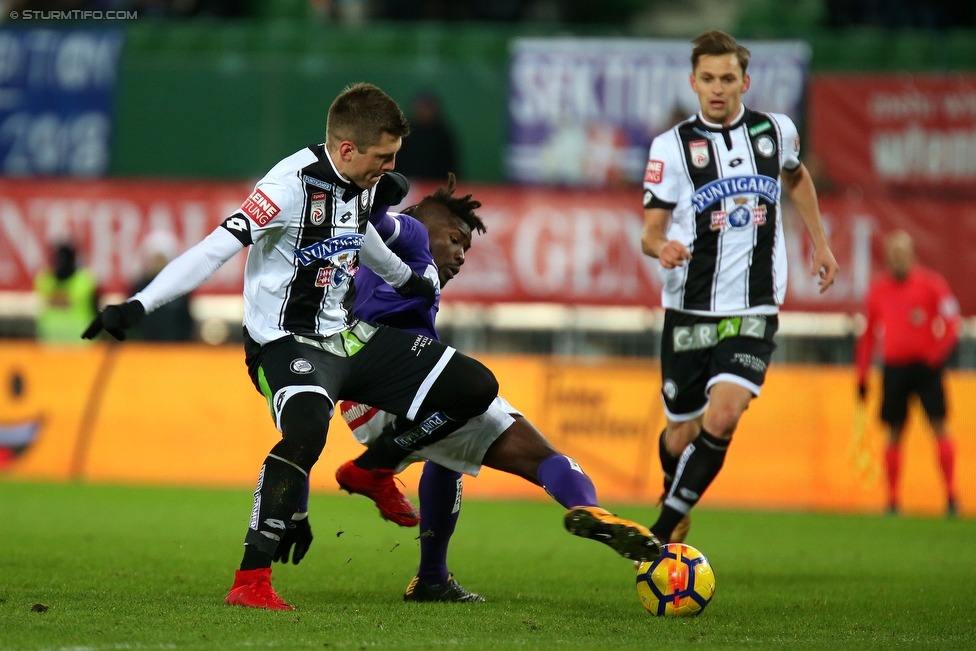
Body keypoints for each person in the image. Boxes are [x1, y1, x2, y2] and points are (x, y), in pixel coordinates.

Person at [81, 83, 500, 611]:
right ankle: (250, 580)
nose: (392, 169)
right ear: (347, 149)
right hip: (281, 343)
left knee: (475, 387)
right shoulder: (285, 188)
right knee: (305, 430)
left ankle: (376, 465)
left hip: (345, 336)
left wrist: (404, 278)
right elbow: (213, 249)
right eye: (384, 157)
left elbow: (359, 235)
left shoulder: (363, 180)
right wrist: (137, 305)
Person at [272, 173, 660, 602]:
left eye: (466, 249)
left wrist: (297, 505)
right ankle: (586, 507)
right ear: (422, 221)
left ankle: (432, 577)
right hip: (403, 382)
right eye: (455, 240)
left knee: (448, 451)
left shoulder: (353, 263)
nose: (460, 255)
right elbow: (377, 221)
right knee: (539, 453)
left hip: (360, 401)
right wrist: (382, 191)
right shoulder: (412, 233)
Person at [640, 30, 839, 545]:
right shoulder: (672, 147)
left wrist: (820, 243)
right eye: (708, 78)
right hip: (689, 307)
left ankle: (660, 530)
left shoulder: (778, 132)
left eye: (728, 78)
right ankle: (674, 490)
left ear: (745, 81)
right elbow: (650, 228)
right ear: (693, 82)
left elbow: (795, 177)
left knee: (724, 415)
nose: (718, 88)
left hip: (755, 305)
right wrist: (659, 246)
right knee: (680, 434)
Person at [855, 231, 959, 516]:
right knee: (893, 433)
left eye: (902, 253)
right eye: (893, 254)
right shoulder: (878, 290)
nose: (898, 259)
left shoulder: (932, 285)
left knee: (940, 427)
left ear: (912, 255)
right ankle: (892, 501)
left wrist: (935, 355)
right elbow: (867, 336)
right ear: (888, 258)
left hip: (925, 368)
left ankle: (951, 497)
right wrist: (862, 376)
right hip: (895, 369)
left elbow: (952, 322)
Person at [129, 230, 194, 342]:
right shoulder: (139, 288)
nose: (158, 264)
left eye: (161, 259)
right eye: (156, 259)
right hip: (144, 352)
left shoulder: (180, 289)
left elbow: (186, 322)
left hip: (172, 351)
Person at [34, 241, 99, 344]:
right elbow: (97, 313)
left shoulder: (44, 280)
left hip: (65, 343)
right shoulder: (86, 281)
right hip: (64, 342)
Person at [391, 91, 459, 180]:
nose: (425, 111)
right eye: (421, 107)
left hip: (436, 185)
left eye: (428, 107)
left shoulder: (443, 136)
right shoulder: (404, 133)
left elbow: (450, 166)